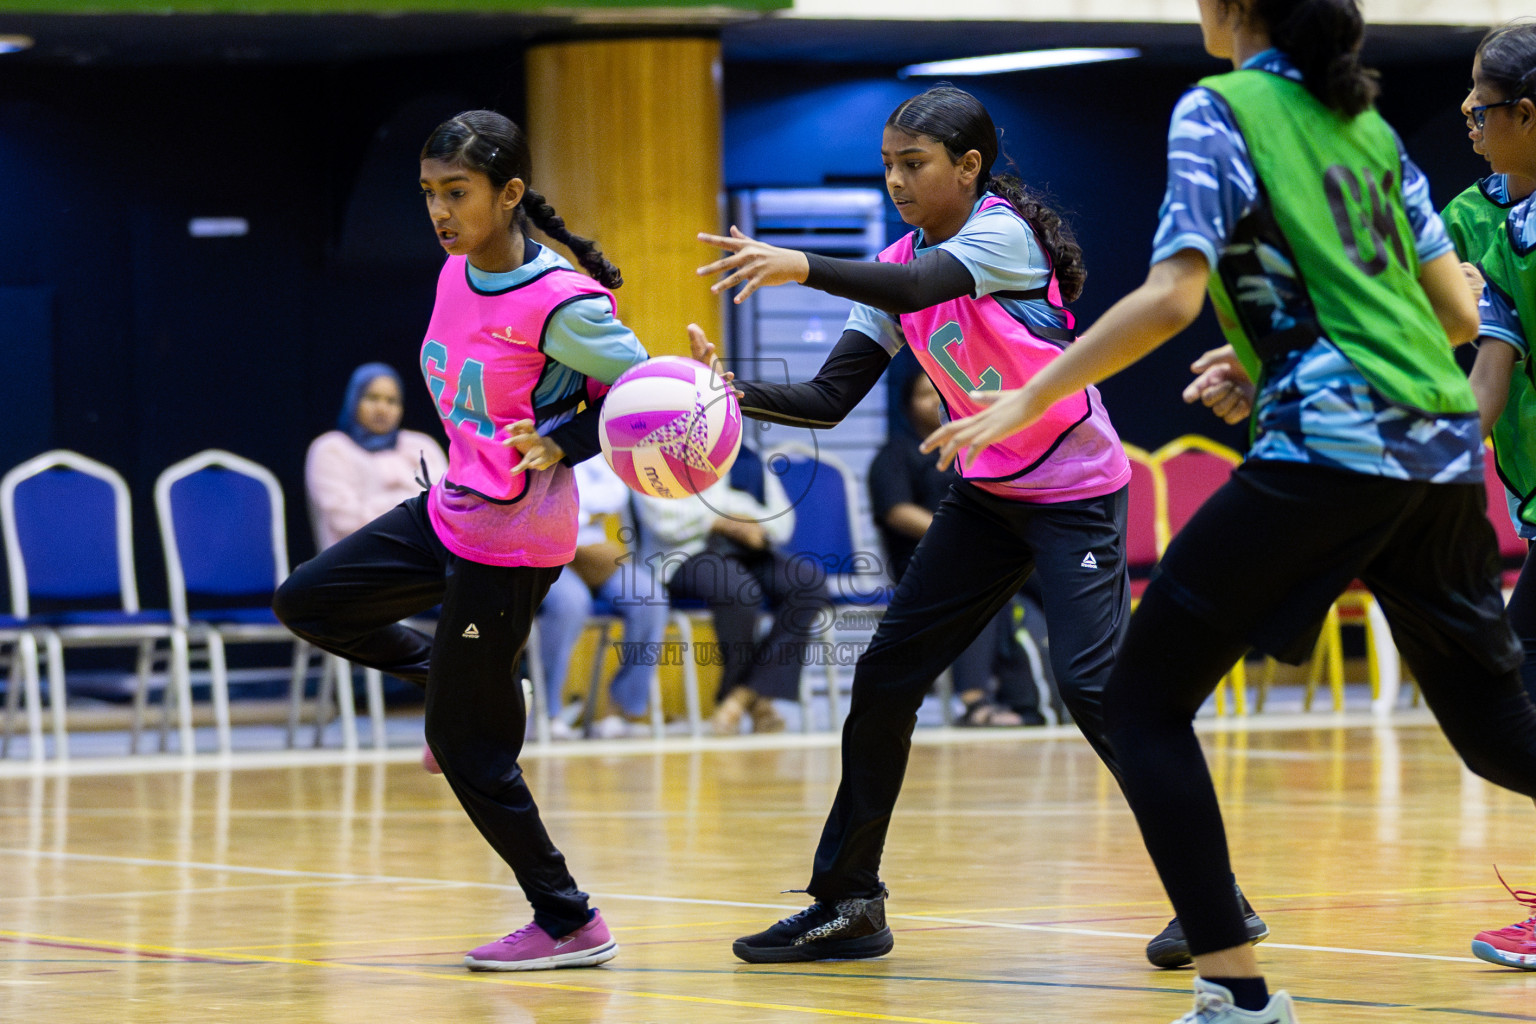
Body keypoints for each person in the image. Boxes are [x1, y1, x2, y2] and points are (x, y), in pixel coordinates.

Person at [923, 3, 1536, 1021]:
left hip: (1336, 449)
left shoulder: (1222, 108)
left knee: (1142, 703)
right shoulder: (1371, 130)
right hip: (1433, 453)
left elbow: (1170, 296)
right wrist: (1271, 354)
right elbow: (1455, 313)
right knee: (1499, 735)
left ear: (1234, 9)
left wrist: (1030, 393)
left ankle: (1238, 995)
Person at [694, 84, 1266, 967]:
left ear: (968, 168)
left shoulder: (1003, 236)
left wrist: (800, 264)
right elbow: (829, 396)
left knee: (1097, 691)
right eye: (887, 164)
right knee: (884, 679)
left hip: (1076, 493)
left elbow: (923, 281)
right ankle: (849, 904)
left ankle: (1213, 897)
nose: (895, 181)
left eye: (912, 164)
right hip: (987, 495)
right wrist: (733, 395)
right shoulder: (894, 265)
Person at [273, 109, 651, 972]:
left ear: (509, 193)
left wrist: (567, 440)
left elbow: (653, 396)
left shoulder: (561, 300)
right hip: (450, 508)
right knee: (309, 601)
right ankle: (453, 676)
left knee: (470, 752)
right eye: (429, 194)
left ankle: (568, 921)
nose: (440, 212)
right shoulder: (456, 274)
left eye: (458, 193)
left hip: (514, 538)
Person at [1456, 20, 1536, 972]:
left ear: (1527, 114)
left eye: (1482, 107)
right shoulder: (1480, 220)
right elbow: (1489, 378)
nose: (1468, 121)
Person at [870, 370, 1042, 726]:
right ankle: (973, 701)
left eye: (940, 390)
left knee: (1054, 577)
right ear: (906, 405)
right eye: (923, 394)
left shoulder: (972, 449)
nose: (934, 400)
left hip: (987, 553)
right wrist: (957, 535)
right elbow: (897, 511)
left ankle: (1049, 697)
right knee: (982, 584)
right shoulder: (896, 454)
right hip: (925, 564)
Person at [633, 444, 831, 736]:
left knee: (808, 584)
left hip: (748, 547)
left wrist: (749, 525)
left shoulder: (746, 455)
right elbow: (664, 521)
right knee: (738, 590)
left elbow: (782, 522)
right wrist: (722, 521)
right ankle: (755, 700)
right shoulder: (652, 454)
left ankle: (742, 696)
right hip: (685, 553)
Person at [537, 456, 668, 739]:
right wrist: (583, 513)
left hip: (590, 549)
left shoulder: (589, 441)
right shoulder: (529, 437)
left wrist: (575, 513)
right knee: (570, 603)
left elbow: (616, 492)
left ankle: (620, 709)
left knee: (650, 598)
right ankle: (547, 713)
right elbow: (529, 506)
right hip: (543, 550)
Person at [306, 363, 448, 552]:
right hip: (356, 568)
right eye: (372, 398)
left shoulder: (421, 446)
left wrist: (378, 507)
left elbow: (445, 508)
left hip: (424, 563)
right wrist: (414, 504)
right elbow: (348, 523)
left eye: (391, 401)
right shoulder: (330, 449)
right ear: (353, 399)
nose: (382, 409)